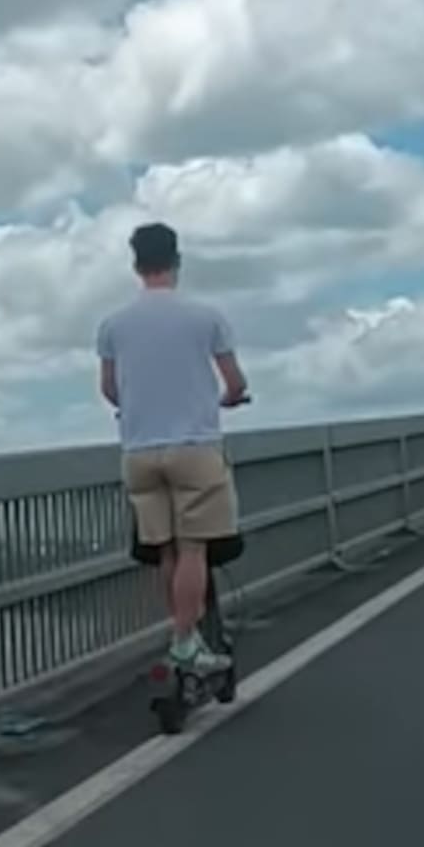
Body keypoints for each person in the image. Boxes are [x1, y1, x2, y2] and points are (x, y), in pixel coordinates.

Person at [95, 221, 249, 674]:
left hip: (139, 452)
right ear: (176, 260)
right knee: (194, 549)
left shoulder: (113, 325)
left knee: (166, 550)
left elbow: (110, 389)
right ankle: (184, 642)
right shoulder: (206, 317)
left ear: (136, 264)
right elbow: (235, 382)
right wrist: (229, 399)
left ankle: (186, 637)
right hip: (194, 447)